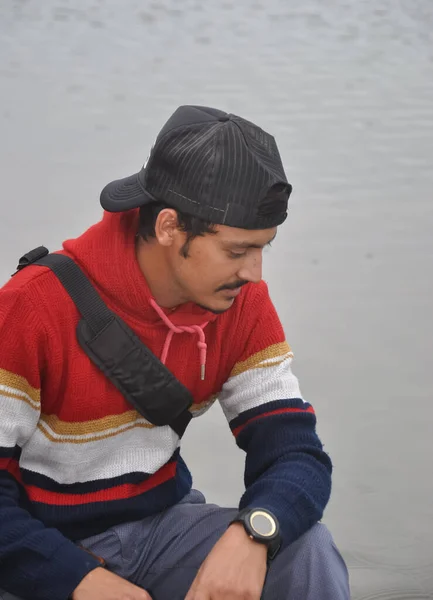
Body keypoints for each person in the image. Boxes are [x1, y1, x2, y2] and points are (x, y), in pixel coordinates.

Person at [0, 105, 350, 600]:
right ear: (169, 227)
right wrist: (77, 579)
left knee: (306, 547)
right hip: (37, 549)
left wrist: (255, 532)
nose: (254, 273)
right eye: (236, 250)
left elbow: (296, 452)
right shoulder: (31, 307)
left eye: (263, 248)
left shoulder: (241, 302)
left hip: (161, 529)